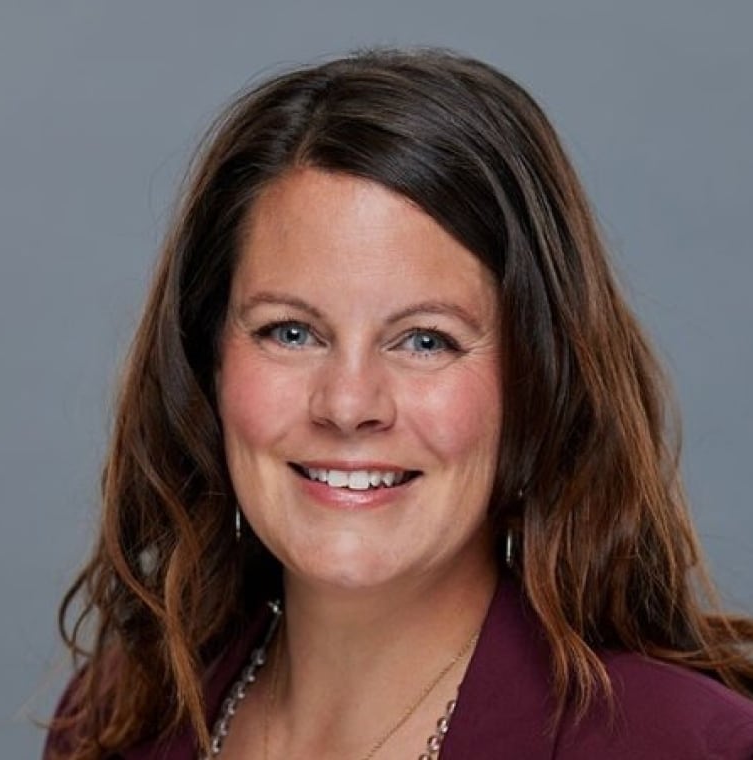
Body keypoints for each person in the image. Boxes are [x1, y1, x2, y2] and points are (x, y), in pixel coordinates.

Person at [44, 48, 753, 760]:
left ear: (537, 381)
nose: (349, 404)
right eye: (290, 332)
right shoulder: (114, 721)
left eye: (425, 341)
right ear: (209, 366)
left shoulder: (685, 743)